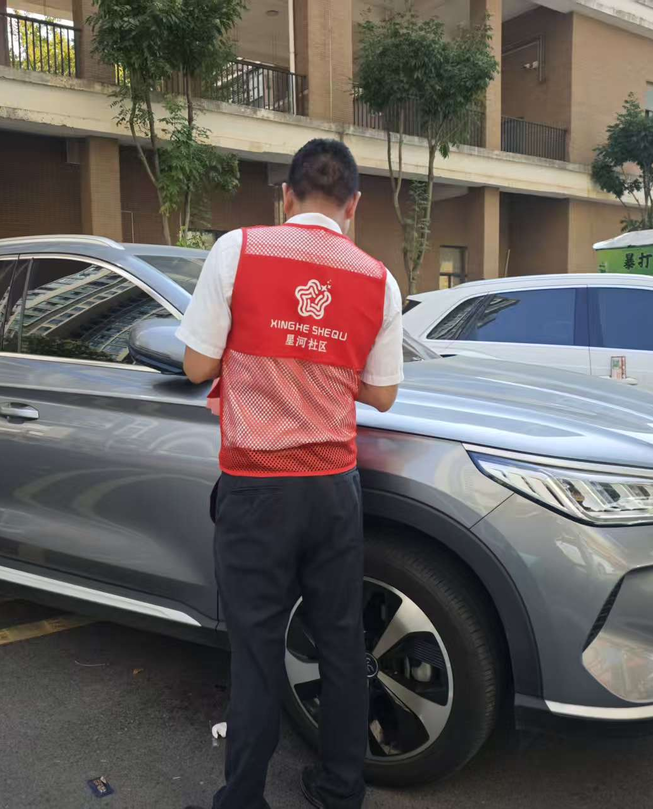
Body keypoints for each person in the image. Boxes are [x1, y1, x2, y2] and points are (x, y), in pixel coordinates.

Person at [175, 138, 404, 809]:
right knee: (340, 642)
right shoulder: (378, 279)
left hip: (256, 487)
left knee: (256, 649)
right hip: (334, 488)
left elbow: (195, 366)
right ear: (354, 205)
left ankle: (244, 799)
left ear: (286, 195)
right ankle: (340, 790)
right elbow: (384, 394)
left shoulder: (238, 250)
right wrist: (323, 360)